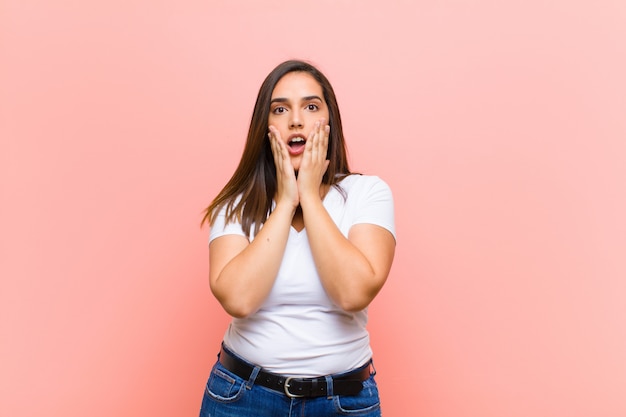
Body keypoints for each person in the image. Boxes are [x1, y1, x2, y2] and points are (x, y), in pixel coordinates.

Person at [199, 60, 396, 417]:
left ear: (329, 122)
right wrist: (287, 201)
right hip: (243, 400)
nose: (295, 120)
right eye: (280, 109)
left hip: (344, 401)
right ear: (265, 127)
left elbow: (352, 293)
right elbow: (238, 299)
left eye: (310, 106)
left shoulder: (368, 193)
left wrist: (309, 193)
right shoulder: (235, 204)